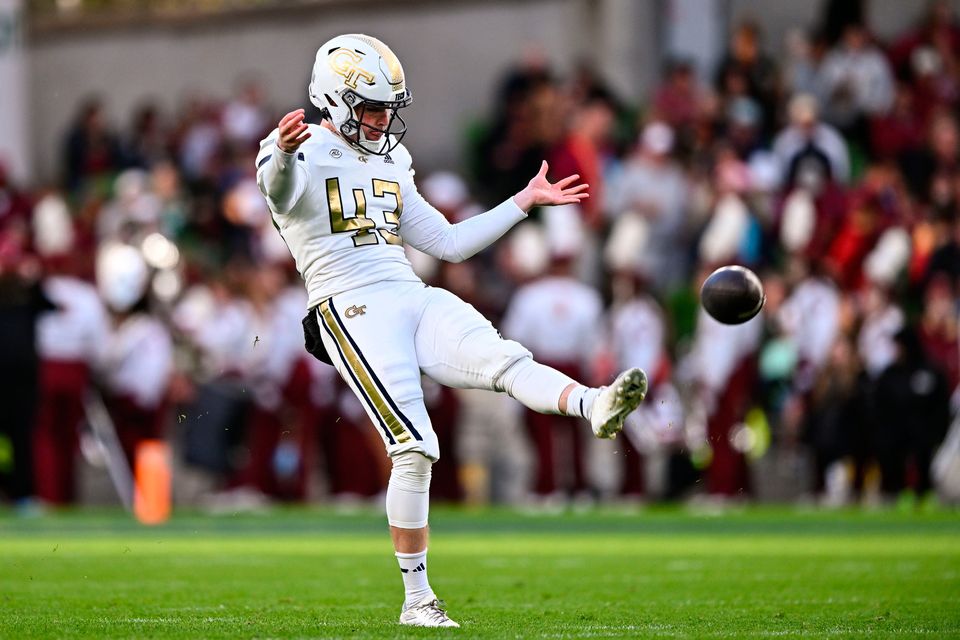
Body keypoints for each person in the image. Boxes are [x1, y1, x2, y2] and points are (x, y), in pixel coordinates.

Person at [255, 34, 647, 628]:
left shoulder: (390, 158)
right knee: (414, 447)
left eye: (389, 107)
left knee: (506, 360)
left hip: (409, 293)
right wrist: (282, 154)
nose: (383, 120)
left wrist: (522, 202)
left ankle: (593, 405)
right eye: (371, 107)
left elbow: (446, 242)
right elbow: (278, 192)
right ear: (333, 100)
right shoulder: (296, 149)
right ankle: (417, 601)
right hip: (347, 306)